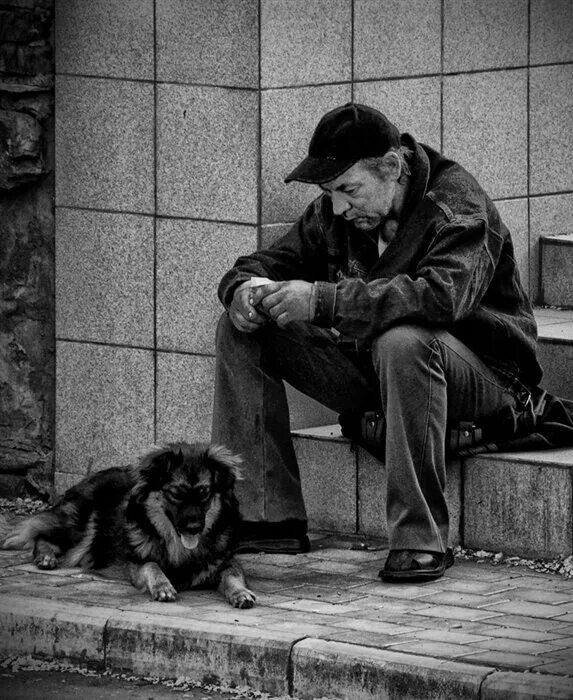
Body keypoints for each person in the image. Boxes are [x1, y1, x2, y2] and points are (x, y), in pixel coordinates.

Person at [212, 103, 542, 582]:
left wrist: (324, 301)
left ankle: (420, 538)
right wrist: (243, 290)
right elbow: (268, 261)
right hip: (383, 373)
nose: (340, 207)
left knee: (403, 339)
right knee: (243, 325)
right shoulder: (338, 212)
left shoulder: (459, 207)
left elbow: (439, 299)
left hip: (486, 380)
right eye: (330, 193)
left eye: (348, 190)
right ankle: (265, 516)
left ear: (391, 167)